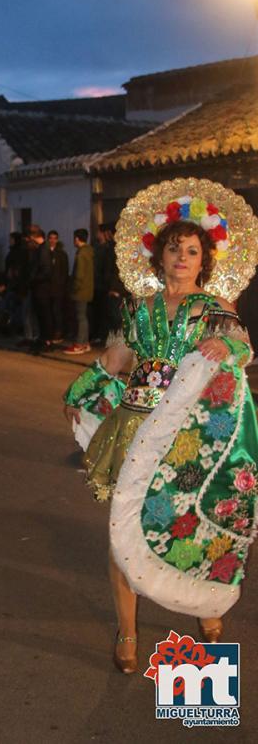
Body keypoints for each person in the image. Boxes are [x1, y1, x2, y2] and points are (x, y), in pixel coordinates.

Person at [63, 179, 258, 674]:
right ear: (159, 255)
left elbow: (243, 348)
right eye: (174, 248)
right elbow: (116, 357)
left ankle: (203, 603)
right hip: (131, 430)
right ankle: (127, 630)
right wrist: (79, 390)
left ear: (204, 260)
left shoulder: (215, 310)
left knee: (181, 527)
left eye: (192, 250)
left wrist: (226, 347)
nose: (182, 257)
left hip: (184, 436)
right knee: (122, 531)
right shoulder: (140, 308)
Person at [64, 228, 93, 354]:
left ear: (76, 239)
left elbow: (79, 275)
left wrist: (73, 289)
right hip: (88, 289)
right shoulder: (89, 252)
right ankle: (85, 343)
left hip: (80, 291)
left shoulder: (81, 254)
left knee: (80, 317)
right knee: (84, 317)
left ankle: (80, 344)